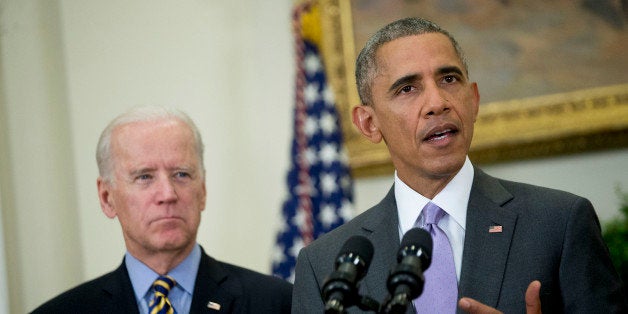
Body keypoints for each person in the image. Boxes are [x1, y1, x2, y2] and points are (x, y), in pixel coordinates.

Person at [292, 17, 627, 313]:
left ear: (474, 99)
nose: (437, 103)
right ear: (368, 123)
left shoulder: (560, 223)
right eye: (408, 88)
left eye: (450, 80)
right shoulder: (322, 264)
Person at [32, 107, 292, 313]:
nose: (168, 194)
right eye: (144, 177)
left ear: (202, 190)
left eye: (181, 174)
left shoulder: (279, 304)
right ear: (106, 197)